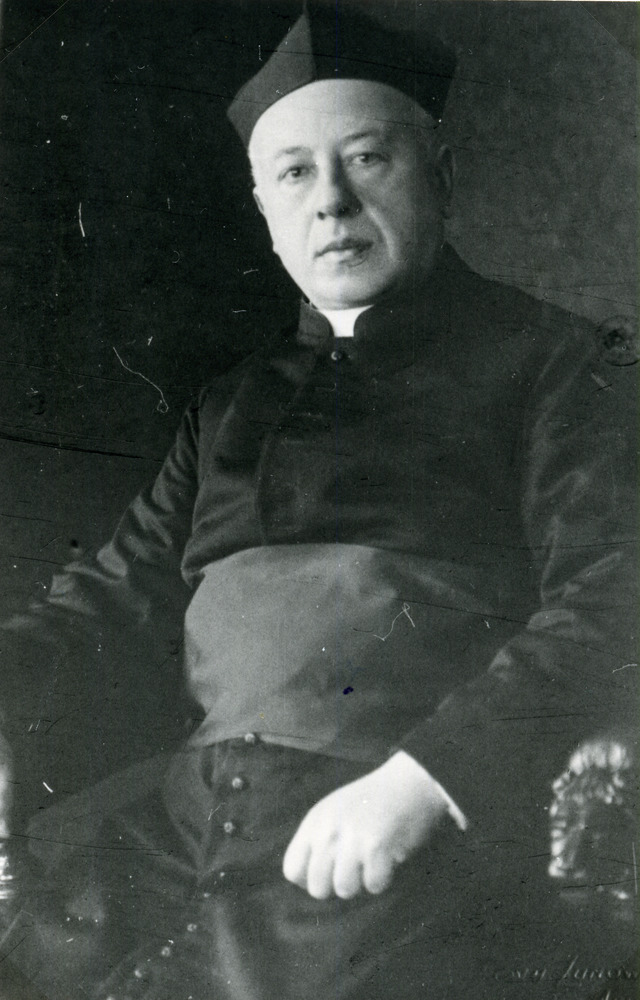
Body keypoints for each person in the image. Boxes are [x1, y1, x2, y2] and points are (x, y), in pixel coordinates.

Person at [0, 3, 636, 998]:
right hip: (179, 828)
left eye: (367, 159)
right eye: (295, 173)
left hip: (392, 827)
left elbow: (617, 592)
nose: (331, 201)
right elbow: (111, 601)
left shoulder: (560, 364)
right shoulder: (227, 407)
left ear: (440, 173)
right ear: (264, 210)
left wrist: (433, 775)